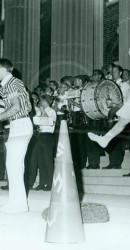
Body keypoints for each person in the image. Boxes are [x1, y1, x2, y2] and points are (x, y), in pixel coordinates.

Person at [0, 58, 33, 213]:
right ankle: (16, 203)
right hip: (18, 124)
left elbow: (16, 107)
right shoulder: (12, 83)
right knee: (13, 166)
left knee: (14, 165)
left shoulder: (11, 83)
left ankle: (18, 205)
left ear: (2, 68)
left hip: (20, 124)